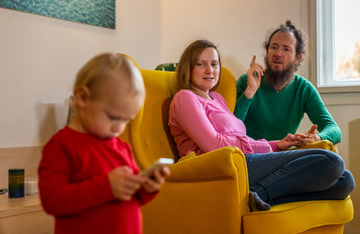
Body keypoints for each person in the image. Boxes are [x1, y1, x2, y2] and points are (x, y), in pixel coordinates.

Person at [168, 39, 354, 211]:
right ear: (188, 67)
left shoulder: (216, 98)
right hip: (225, 165)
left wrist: (278, 144)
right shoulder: (185, 97)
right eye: (201, 64)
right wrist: (267, 147)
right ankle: (261, 192)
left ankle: (260, 197)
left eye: (214, 64)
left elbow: (237, 135)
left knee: (345, 181)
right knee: (331, 161)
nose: (210, 70)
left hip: (244, 159)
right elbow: (214, 145)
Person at [38, 53, 170, 234]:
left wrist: (146, 188)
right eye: (114, 117)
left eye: (126, 120)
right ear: (83, 98)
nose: (119, 127)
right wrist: (106, 187)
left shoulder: (121, 147)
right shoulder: (61, 146)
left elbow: (131, 197)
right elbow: (51, 201)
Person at [234, 20, 341, 145]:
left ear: (298, 58)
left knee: (332, 159)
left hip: (283, 155)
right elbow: (229, 128)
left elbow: (334, 130)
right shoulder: (246, 82)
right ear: (267, 51)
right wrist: (250, 91)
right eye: (274, 47)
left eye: (286, 49)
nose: (278, 54)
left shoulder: (304, 89)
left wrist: (317, 138)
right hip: (251, 154)